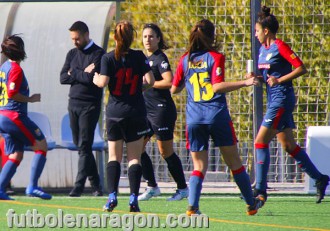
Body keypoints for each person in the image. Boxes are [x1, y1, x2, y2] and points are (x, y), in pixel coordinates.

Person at [171, 19, 263, 216]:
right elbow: (216, 87)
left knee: (199, 166)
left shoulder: (185, 60)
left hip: (194, 118)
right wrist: (245, 82)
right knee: (234, 163)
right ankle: (250, 203)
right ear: (213, 36)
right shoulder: (215, 57)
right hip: (216, 115)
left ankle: (193, 207)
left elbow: (174, 89)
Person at [252, 6, 329, 204]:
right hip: (274, 99)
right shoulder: (262, 50)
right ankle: (320, 179)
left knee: (260, 141)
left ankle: (260, 190)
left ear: (266, 31)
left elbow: (301, 68)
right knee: (288, 145)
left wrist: (280, 80)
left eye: (257, 30)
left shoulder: (280, 46)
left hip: (282, 99)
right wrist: (258, 78)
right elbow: (270, 76)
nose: (256, 34)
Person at [93, 20, 155, 212]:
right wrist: (138, 89)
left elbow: (102, 82)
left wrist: (94, 77)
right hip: (135, 112)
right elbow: (151, 81)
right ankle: (133, 199)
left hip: (115, 114)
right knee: (134, 159)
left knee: (114, 157)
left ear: (115, 37)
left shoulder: (108, 58)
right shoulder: (139, 56)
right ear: (132, 37)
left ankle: (112, 197)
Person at [138, 23, 188, 202]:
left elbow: (169, 81)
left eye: (151, 36)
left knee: (165, 151)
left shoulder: (160, 58)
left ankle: (182, 188)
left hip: (161, 111)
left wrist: (148, 84)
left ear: (158, 38)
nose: (148, 40)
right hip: (146, 111)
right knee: (137, 147)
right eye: (145, 36)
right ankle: (152, 187)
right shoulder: (145, 58)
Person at [0, 34, 52, 200]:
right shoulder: (15, 69)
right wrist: (30, 99)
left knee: (16, 154)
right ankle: (32, 186)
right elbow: (12, 92)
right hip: (14, 116)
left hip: (2, 115)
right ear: (21, 50)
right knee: (41, 145)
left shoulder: (3, 68)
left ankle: (0, 189)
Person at [60, 21, 105, 197]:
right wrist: (81, 72)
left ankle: (78, 187)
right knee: (82, 147)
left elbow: (90, 78)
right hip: (73, 104)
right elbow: (63, 77)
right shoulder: (72, 53)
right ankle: (96, 186)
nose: (74, 42)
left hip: (90, 105)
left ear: (86, 34)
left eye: (77, 38)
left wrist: (75, 73)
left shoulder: (98, 53)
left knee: (85, 144)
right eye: (72, 38)